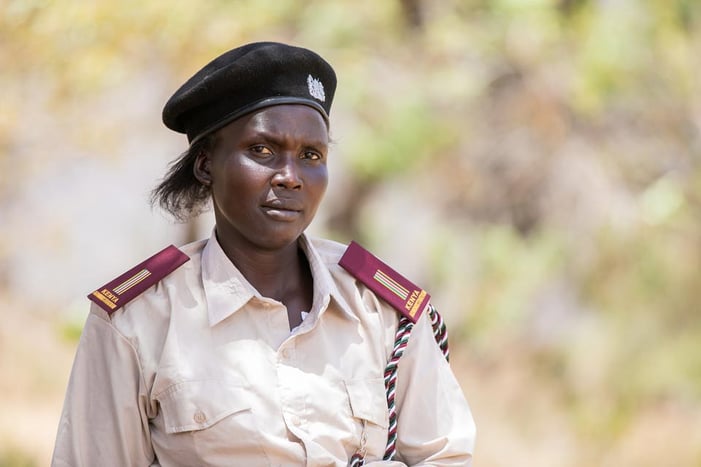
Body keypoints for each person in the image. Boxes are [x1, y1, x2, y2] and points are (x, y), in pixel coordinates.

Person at [52, 41, 476, 466]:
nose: (291, 177)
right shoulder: (137, 321)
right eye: (262, 150)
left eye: (311, 155)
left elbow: (447, 456)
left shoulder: (383, 313)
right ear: (205, 164)